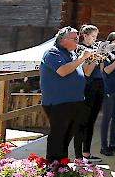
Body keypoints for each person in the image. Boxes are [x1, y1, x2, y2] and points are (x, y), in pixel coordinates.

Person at [40, 27, 88, 163]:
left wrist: (89, 60)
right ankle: (52, 166)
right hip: (58, 102)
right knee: (58, 135)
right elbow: (62, 71)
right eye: (74, 38)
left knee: (67, 135)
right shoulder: (52, 53)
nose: (77, 41)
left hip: (75, 101)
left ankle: (61, 164)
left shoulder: (71, 54)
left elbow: (85, 74)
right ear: (62, 40)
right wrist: (81, 59)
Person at [74, 24, 104, 163]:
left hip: (98, 84)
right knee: (83, 122)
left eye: (96, 37)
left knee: (92, 121)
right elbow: (87, 71)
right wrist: (95, 57)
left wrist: (101, 56)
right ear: (85, 36)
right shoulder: (81, 49)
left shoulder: (94, 49)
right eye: (92, 37)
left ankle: (87, 153)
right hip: (88, 86)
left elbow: (101, 69)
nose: (94, 39)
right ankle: (78, 155)